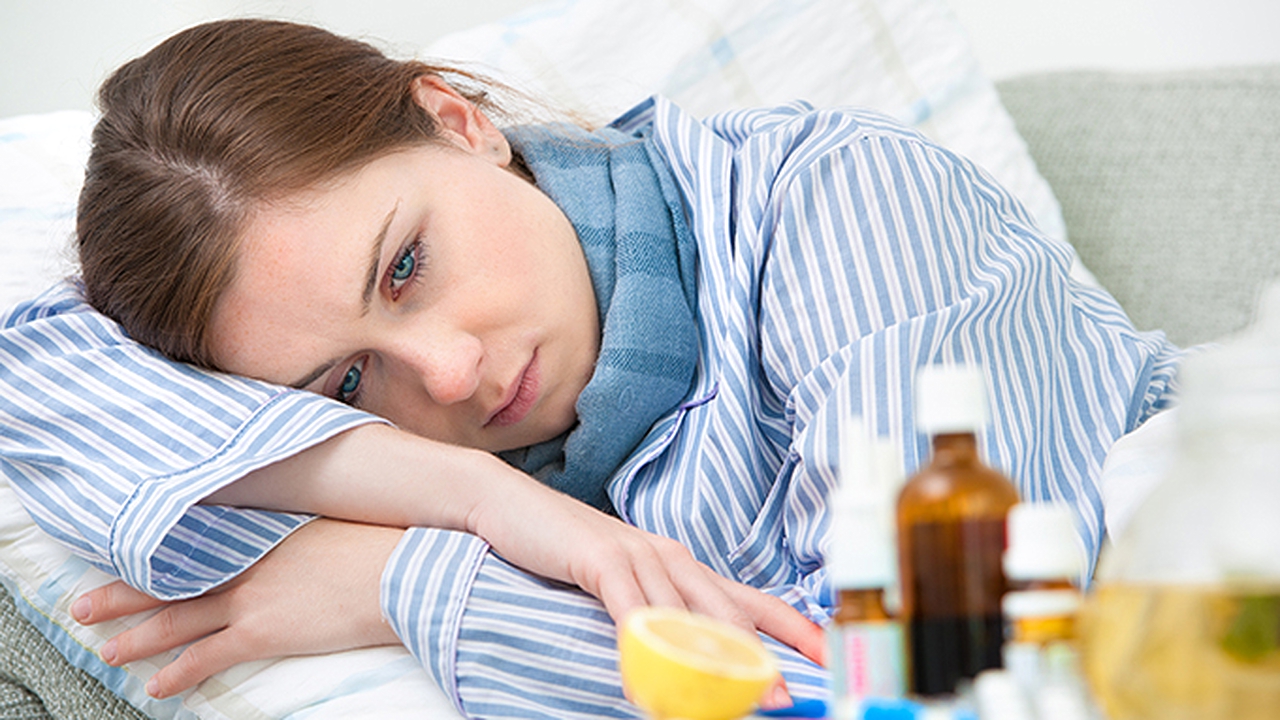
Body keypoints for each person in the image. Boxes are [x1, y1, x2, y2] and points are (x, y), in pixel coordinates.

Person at [0, 18, 1183, 719]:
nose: (447, 377)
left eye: (406, 267)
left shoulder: (836, 201)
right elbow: (37, 381)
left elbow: (928, 677)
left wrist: (410, 583)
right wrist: (479, 500)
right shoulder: (498, 474)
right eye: (348, 384)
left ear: (459, 121)